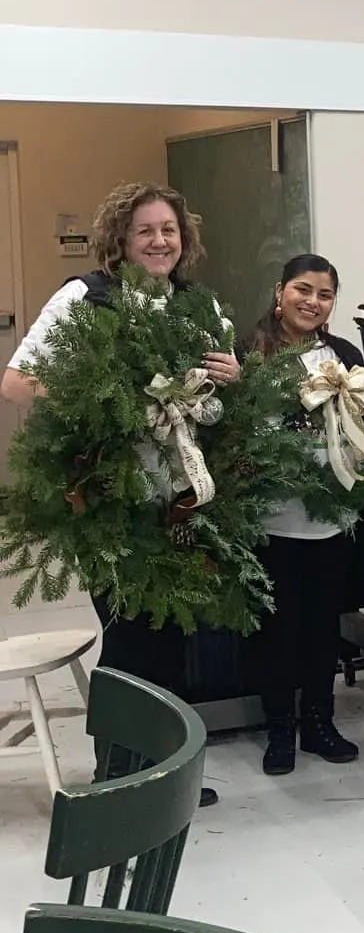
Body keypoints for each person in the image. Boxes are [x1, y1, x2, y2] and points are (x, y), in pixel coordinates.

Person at [2, 182, 239, 808]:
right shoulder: (86, 297)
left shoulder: (199, 306)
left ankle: (166, 772)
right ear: (121, 239)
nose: (160, 241)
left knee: (175, 633)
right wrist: (106, 399)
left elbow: (222, 402)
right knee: (130, 634)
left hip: (183, 498)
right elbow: (17, 383)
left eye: (169, 230)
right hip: (108, 496)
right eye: (145, 231)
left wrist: (233, 375)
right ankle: (117, 774)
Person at [246, 254, 364, 777]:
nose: (312, 302)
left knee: (321, 627)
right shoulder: (250, 352)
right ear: (280, 292)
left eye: (325, 294)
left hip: (329, 519)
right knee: (277, 631)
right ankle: (279, 730)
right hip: (271, 521)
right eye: (303, 289)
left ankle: (320, 722)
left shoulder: (344, 355)